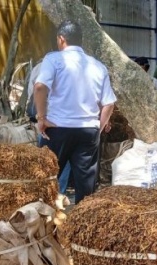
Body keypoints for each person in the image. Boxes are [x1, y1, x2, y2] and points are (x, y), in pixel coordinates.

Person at [34, 20, 116, 204]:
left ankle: (44, 222)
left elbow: (40, 87)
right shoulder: (98, 66)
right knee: (86, 188)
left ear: (61, 39)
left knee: (44, 180)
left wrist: (41, 118)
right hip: (88, 132)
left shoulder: (53, 59)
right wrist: (98, 127)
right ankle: (82, 227)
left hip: (57, 129)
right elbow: (109, 104)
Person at [27, 58, 72, 196]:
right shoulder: (70, 68)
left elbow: (33, 91)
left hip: (48, 119)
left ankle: (46, 195)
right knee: (64, 159)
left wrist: (40, 117)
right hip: (67, 119)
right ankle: (59, 193)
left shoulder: (39, 68)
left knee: (47, 158)